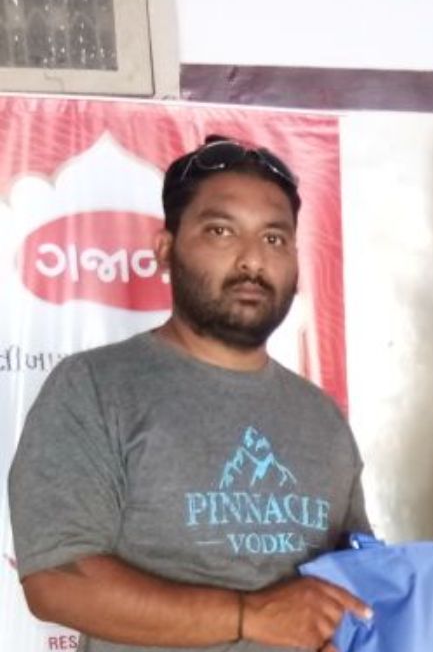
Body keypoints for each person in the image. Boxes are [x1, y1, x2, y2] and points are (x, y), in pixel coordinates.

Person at [9, 137, 372, 652]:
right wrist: (250, 616)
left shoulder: (321, 416)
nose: (252, 260)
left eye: (274, 238)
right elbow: (58, 580)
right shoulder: (94, 387)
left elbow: (359, 577)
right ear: (165, 249)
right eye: (221, 231)